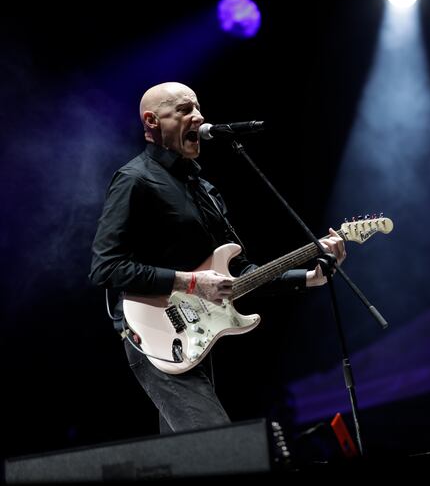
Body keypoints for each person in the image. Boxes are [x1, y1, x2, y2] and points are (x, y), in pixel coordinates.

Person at [89, 81, 346, 434]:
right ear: (151, 121)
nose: (199, 116)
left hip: (192, 335)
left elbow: (239, 275)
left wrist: (307, 277)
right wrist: (191, 281)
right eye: (184, 110)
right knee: (217, 445)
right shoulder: (134, 180)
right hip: (150, 331)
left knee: (187, 458)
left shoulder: (204, 190)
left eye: (197, 107)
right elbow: (106, 267)